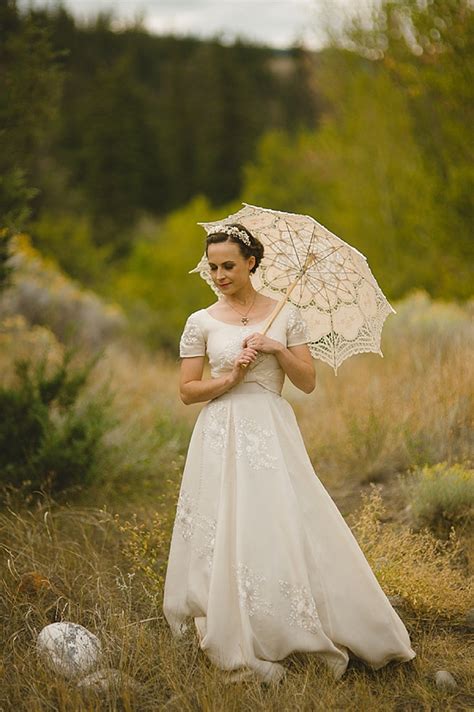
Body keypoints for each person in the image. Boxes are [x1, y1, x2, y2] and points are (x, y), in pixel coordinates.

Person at [163, 223, 416, 684]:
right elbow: (186, 391)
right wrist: (228, 379)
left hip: (271, 429)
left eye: (228, 266)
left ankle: (295, 620)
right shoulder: (200, 321)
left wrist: (276, 347)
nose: (218, 275)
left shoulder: (286, 315)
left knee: (278, 518)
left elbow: (307, 381)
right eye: (213, 267)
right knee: (223, 520)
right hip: (219, 429)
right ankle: (230, 615)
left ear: (251, 264)